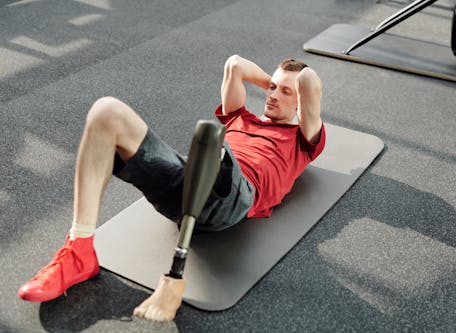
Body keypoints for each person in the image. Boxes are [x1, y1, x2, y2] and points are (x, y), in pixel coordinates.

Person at [17, 55, 325, 321]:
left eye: (285, 91)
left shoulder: (302, 140)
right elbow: (234, 65)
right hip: (190, 179)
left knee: (214, 144)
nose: (273, 95)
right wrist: (274, 86)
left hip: (234, 194)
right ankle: (78, 251)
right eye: (272, 87)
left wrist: (290, 89)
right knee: (106, 111)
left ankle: (214, 158)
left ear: (300, 101)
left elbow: (309, 80)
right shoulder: (239, 118)